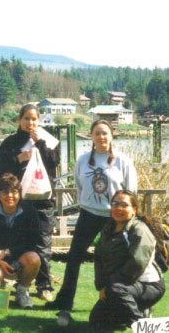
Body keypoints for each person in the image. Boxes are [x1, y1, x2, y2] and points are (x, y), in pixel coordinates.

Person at [48, 119, 138, 327]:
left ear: (112, 135)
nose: (101, 137)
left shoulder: (123, 162)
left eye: (105, 133)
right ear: (91, 136)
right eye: (97, 133)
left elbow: (131, 193)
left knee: (113, 260)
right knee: (74, 256)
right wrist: (87, 204)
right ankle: (64, 300)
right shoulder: (82, 160)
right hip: (88, 214)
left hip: (113, 217)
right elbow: (80, 187)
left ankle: (114, 303)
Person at [0, 103, 60, 301]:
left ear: (38, 121)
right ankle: (12, 279)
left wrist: (39, 144)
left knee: (43, 244)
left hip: (43, 200)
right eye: (26, 118)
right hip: (18, 200)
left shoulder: (48, 140)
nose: (30, 122)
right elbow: (0, 169)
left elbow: (53, 162)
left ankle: (44, 285)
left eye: (34, 119)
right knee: (14, 240)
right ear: (19, 120)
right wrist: (20, 158)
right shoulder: (10, 143)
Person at [89, 190, 165, 332]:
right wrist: (101, 286)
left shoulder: (140, 230)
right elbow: (98, 257)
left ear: (134, 209)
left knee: (115, 290)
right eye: (115, 204)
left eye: (124, 205)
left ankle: (146, 326)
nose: (118, 208)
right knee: (97, 321)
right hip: (120, 285)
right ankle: (139, 312)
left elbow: (136, 264)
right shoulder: (108, 228)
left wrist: (110, 286)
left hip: (148, 285)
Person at [0, 173, 41, 309]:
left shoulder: (30, 212)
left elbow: (32, 242)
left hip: (16, 260)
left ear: (20, 194)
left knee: (34, 258)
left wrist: (6, 252)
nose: (10, 196)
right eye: (5, 192)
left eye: (14, 192)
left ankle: (22, 291)